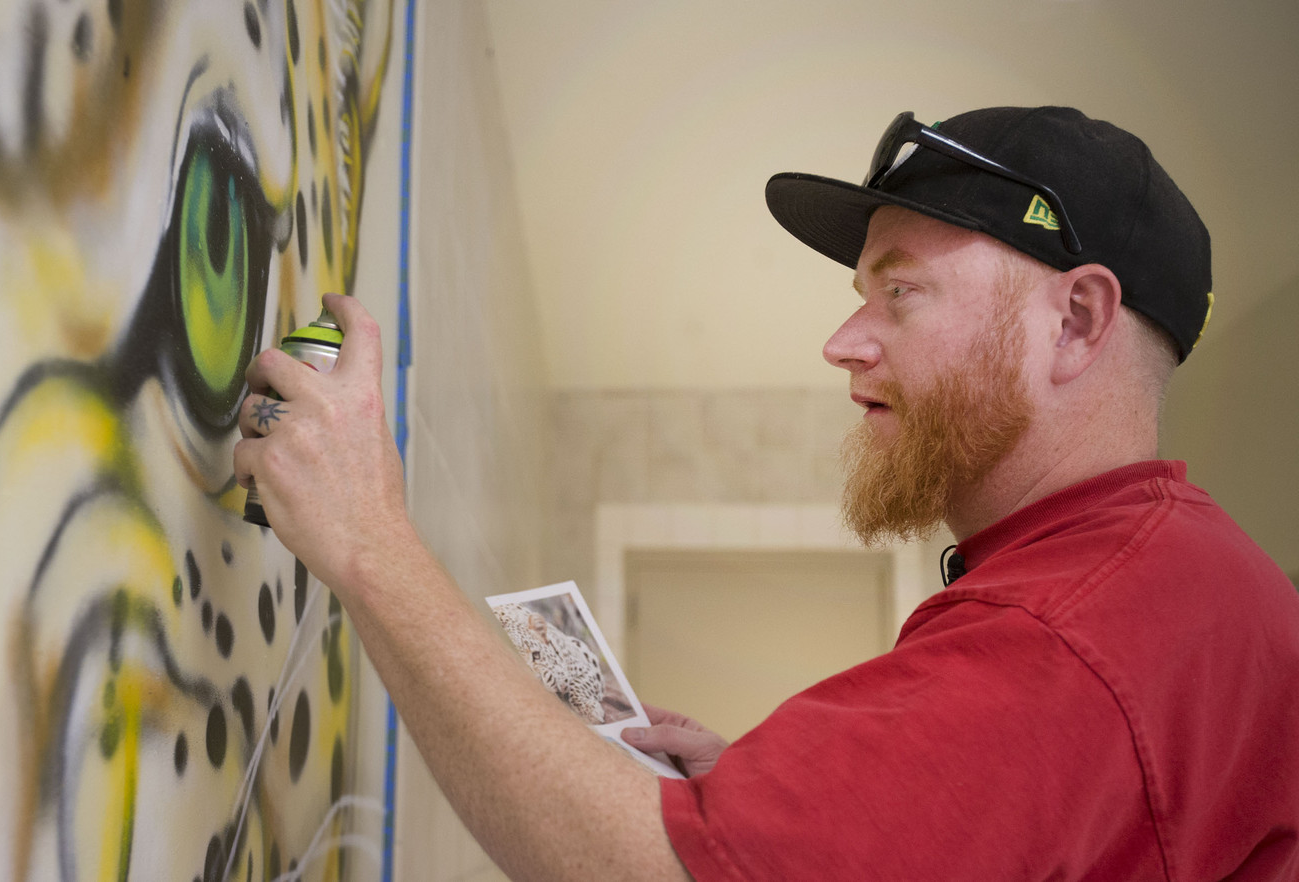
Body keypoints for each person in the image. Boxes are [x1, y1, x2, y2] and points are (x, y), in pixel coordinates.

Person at [234, 106, 1299, 880]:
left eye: (901, 292)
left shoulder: (1075, 628)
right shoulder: (1157, 594)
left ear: (1072, 323)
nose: (842, 343)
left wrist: (366, 539)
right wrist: (787, 808)